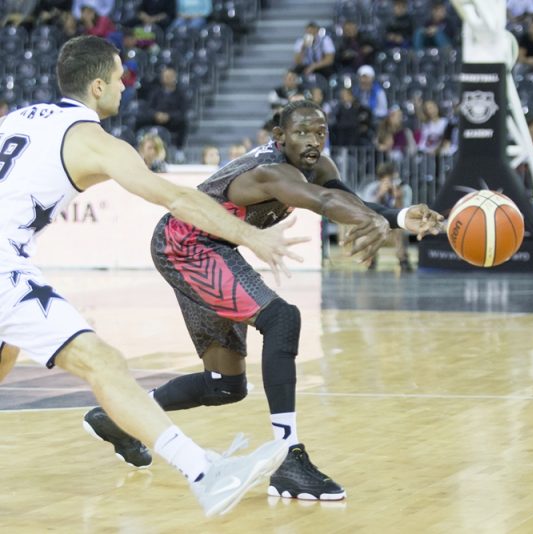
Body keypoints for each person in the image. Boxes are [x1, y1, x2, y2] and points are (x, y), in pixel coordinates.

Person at [0, 36, 306, 517]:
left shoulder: (18, 119)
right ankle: (205, 474)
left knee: (7, 353)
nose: (125, 87)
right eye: (119, 78)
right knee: (104, 363)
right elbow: (175, 198)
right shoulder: (93, 141)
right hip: (4, 265)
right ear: (97, 86)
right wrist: (249, 235)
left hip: (10, 263)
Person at [81, 99, 446, 501]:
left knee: (224, 386)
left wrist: (398, 217)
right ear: (279, 137)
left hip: (212, 245)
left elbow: (345, 200)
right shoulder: (269, 172)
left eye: (319, 132)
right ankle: (287, 458)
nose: (312, 140)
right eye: (302, 132)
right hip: (186, 245)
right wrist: (370, 220)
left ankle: (120, 418)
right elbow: (324, 204)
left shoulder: (318, 167)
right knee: (282, 319)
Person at [362, 162, 414, 272]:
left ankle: (403, 261)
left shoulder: (404, 189)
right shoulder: (373, 188)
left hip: (395, 225)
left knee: (400, 229)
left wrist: (398, 198)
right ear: (381, 179)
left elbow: (404, 214)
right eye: (389, 180)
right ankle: (371, 260)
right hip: (377, 223)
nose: (392, 183)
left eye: (394, 179)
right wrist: (380, 194)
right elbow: (366, 209)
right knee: (371, 228)